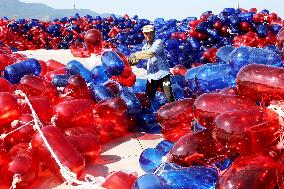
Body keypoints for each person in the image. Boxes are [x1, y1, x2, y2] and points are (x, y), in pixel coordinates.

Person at [128, 25, 175, 103]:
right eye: (146, 34)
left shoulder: (158, 42)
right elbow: (140, 59)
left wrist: (135, 55)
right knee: (149, 99)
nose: (148, 36)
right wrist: (130, 61)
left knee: (169, 96)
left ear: (153, 33)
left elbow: (150, 53)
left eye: (150, 33)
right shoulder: (144, 47)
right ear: (144, 34)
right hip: (151, 77)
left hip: (163, 75)